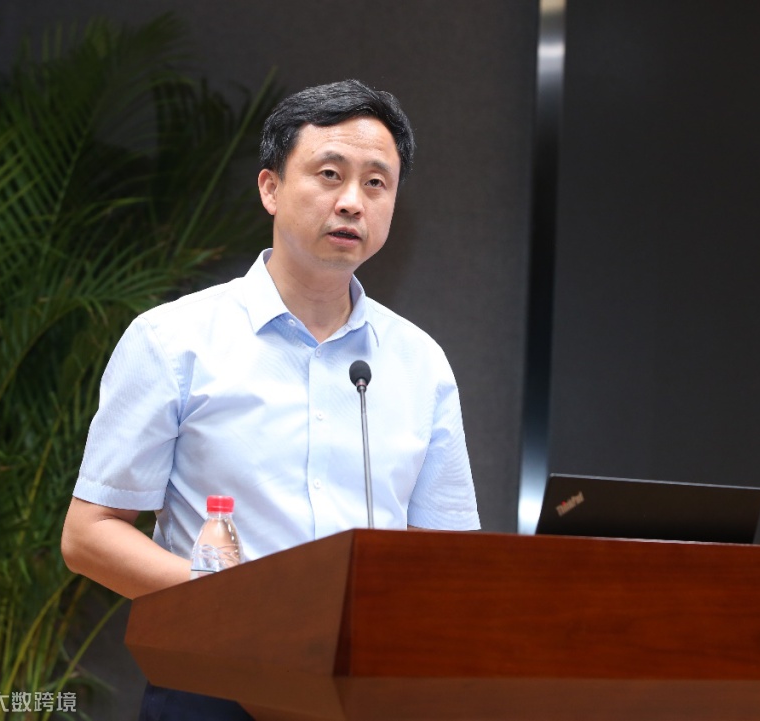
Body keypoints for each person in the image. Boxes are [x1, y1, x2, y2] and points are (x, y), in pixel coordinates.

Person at [61, 79, 480, 720]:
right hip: (211, 684)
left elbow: (447, 556)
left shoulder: (420, 363)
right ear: (270, 189)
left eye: (376, 183)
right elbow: (90, 535)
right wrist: (243, 608)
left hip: (367, 691)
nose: (352, 201)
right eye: (330, 174)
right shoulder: (173, 340)